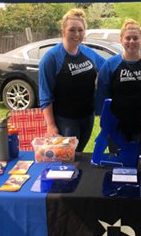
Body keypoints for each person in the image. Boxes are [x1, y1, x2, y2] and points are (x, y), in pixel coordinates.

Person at [38, 8, 106, 152]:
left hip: (87, 117)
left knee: (79, 153)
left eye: (80, 30)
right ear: (63, 31)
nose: (77, 34)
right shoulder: (51, 58)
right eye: (72, 30)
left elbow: (108, 68)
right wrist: (51, 125)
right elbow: (45, 95)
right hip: (66, 120)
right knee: (66, 159)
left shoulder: (88, 52)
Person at [95, 19, 141, 141]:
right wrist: (104, 120)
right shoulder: (111, 64)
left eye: (135, 38)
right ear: (121, 40)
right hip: (118, 124)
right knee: (119, 159)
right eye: (128, 38)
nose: (132, 41)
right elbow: (102, 94)